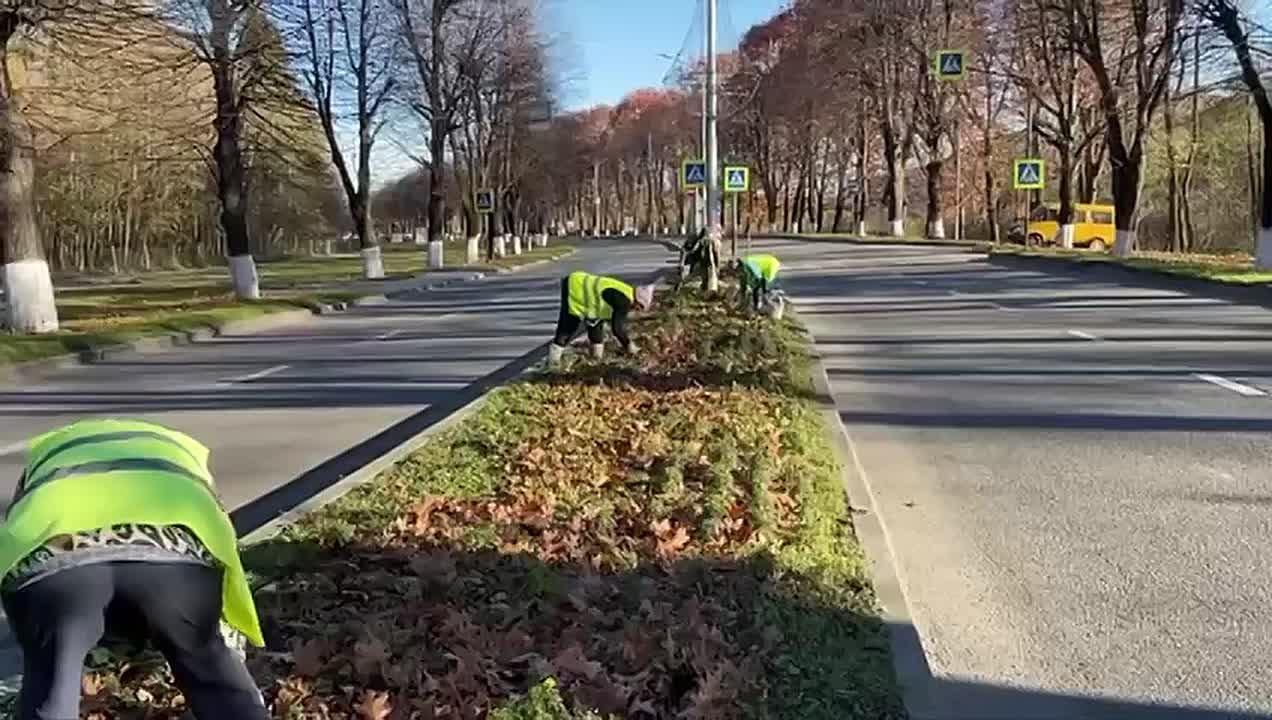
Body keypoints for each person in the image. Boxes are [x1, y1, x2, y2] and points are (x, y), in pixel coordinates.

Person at [0, 419, 269, 720]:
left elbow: (18, 530)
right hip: (171, 563)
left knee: (51, 683)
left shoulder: (46, 458)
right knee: (213, 674)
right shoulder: (184, 459)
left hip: (57, 564)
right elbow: (219, 544)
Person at [548, 271, 656, 365]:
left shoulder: (625, 292)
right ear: (638, 302)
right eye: (639, 309)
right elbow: (617, 328)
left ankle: (595, 361)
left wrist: (596, 358)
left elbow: (598, 319)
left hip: (586, 297)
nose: (636, 312)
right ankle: (553, 363)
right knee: (568, 327)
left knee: (596, 326)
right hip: (575, 288)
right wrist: (629, 346)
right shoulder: (624, 301)